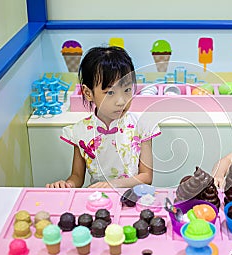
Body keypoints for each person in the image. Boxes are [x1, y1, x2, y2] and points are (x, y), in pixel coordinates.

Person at [46, 46, 161, 188]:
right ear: (88, 93)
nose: (121, 101)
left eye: (127, 90)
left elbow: (146, 176)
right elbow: (76, 177)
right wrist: (66, 184)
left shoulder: (142, 125)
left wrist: (112, 184)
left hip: (134, 198)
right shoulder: (80, 131)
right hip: (99, 199)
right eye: (110, 93)